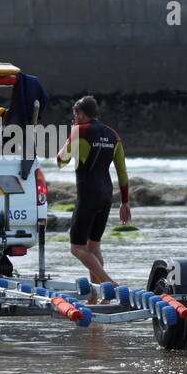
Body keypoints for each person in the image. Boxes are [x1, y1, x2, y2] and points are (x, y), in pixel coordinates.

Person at [56, 96, 130, 302]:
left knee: (76, 248)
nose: (74, 119)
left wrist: (70, 137)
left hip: (88, 195)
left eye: (75, 116)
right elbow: (122, 172)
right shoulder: (113, 135)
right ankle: (96, 296)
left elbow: (61, 160)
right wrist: (125, 202)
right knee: (93, 247)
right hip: (107, 196)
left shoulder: (80, 131)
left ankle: (108, 283)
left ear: (80, 114)